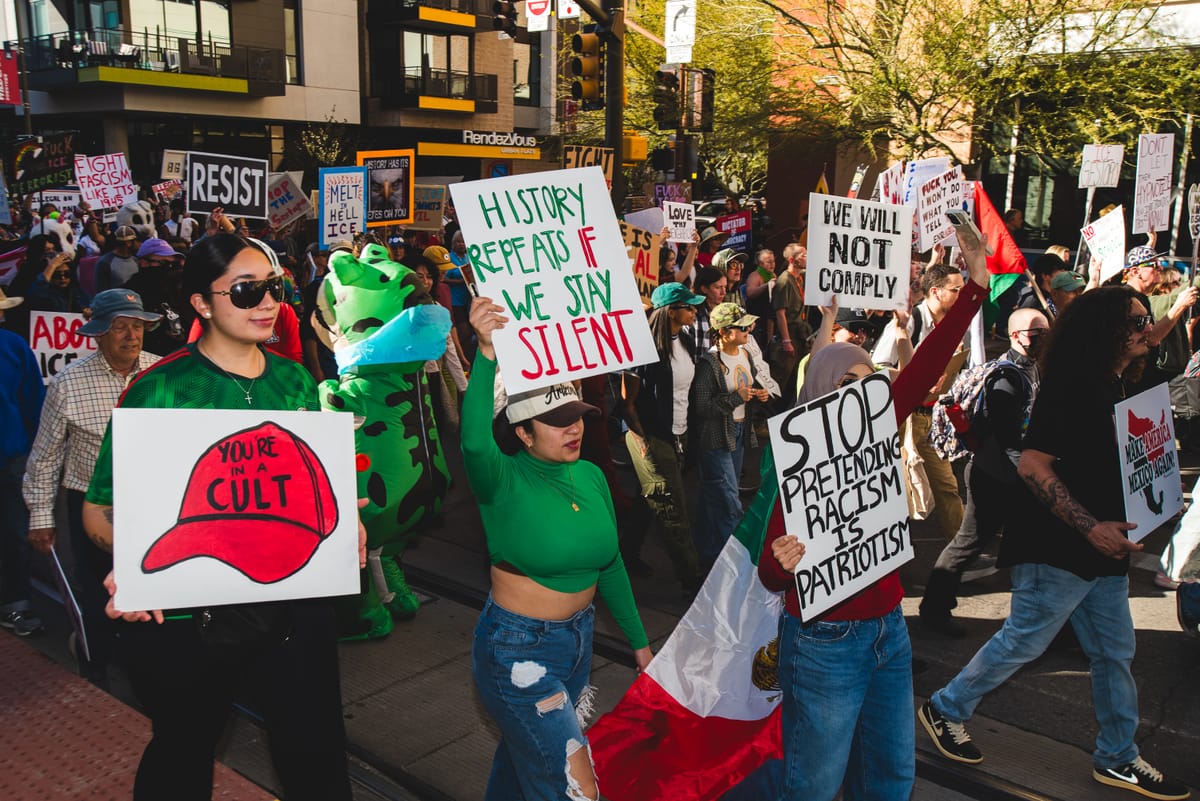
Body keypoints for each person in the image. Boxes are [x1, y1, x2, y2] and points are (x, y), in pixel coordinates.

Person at [81, 234, 357, 801]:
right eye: (246, 289)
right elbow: (97, 511)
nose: (265, 302)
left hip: (292, 606)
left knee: (316, 756)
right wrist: (132, 567)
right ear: (201, 304)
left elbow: (318, 487)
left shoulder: (297, 381)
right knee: (182, 752)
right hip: (190, 619)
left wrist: (347, 522)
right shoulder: (158, 389)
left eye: (274, 289)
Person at [921, 285, 1191, 800]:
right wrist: (1092, 527)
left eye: (1146, 319)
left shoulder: (1109, 382)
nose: (1145, 330)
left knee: (1114, 652)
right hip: (1060, 544)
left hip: (1101, 547)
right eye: (1136, 322)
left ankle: (1117, 756)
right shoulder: (1073, 386)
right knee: (1025, 638)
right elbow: (1032, 464)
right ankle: (945, 707)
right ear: (1105, 329)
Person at [756, 220, 992, 801]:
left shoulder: (879, 420)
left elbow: (928, 362)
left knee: (890, 776)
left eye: (874, 379)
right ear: (829, 393)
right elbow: (769, 570)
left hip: (889, 627)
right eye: (854, 381)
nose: (871, 389)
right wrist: (782, 563)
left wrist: (976, 289)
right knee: (813, 782)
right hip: (825, 639)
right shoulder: (798, 457)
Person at [463, 294, 652, 801]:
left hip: (577, 644)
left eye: (579, 415)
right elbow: (475, 443)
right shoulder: (500, 481)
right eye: (556, 420)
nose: (574, 427)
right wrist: (485, 353)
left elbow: (608, 565)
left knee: (524, 759)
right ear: (522, 433)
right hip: (516, 651)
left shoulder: (590, 475)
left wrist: (639, 644)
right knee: (575, 786)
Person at [23, 289, 162, 680]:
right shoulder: (68, 383)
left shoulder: (162, 374)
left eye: (137, 326)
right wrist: (39, 516)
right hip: (88, 504)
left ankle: (146, 671)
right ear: (99, 333)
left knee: (148, 587)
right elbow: (46, 454)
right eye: (120, 327)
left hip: (150, 505)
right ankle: (94, 671)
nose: (131, 336)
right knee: (95, 592)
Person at [919, 307, 1048, 637]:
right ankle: (934, 610)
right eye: (1037, 334)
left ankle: (1035, 618)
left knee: (1027, 545)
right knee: (968, 543)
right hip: (997, 476)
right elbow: (1006, 436)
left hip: (1009, 472)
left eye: (1047, 332)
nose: (1044, 339)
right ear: (1016, 336)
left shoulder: (1030, 368)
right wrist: (1034, 472)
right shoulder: (1005, 379)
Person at [620, 283, 706, 596]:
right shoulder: (645, 349)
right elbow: (627, 402)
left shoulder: (683, 339)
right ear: (671, 311)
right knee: (673, 510)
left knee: (650, 500)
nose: (695, 311)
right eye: (689, 306)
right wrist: (643, 442)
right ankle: (692, 578)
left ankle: (624, 555)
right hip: (652, 438)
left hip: (677, 435)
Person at [692, 302, 776, 570]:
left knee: (712, 500)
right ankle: (735, 568)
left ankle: (707, 560)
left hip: (738, 435)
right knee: (730, 505)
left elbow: (747, 389)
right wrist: (734, 399)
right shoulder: (709, 364)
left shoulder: (744, 354)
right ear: (725, 332)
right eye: (742, 327)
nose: (748, 330)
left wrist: (758, 396)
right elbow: (702, 408)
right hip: (716, 439)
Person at [0, 294, 46, 636]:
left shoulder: (14, 346)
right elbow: (34, 403)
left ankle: (14, 601)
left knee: (16, 530)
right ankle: (14, 602)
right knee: (14, 531)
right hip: (14, 452)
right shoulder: (15, 345)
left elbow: (33, 402)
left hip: (12, 454)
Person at [94, 226, 142, 291]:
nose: (140, 245)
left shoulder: (136, 260)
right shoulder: (105, 262)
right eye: (137, 241)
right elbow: (101, 292)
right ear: (128, 243)